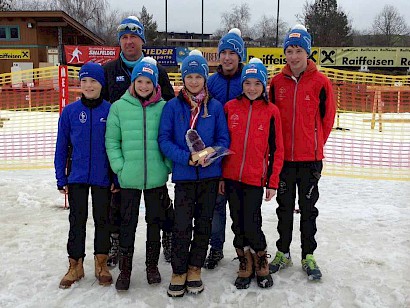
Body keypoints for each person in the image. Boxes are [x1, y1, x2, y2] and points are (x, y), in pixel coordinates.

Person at [102, 15, 175, 267]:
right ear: (119, 41)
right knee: (119, 205)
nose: (129, 41)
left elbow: (169, 111)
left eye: (134, 36)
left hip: (154, 155)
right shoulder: (108, 71)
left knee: (161, 206)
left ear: (142, 40)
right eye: (124, 37)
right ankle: (115, 244)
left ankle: (167, 239)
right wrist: (117, 164)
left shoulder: (160, 73)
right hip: (123, 152)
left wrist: (166, 162)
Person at [158, 50, 230, 297]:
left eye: (199, 76)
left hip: (209, 177)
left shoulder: (216, 108)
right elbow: (164, 140)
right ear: (183, 78)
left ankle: (194, 268)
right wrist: (186, 158)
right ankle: (178, 270)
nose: (194, 81)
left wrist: (210, 152)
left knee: (204, 224)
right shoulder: (172, 107)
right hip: (185, 177)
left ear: (205, 78)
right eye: (189, 76)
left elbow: (224, 140)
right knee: (181, 225)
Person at [268, 25, 336, 280]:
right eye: (289, 50)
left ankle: (308, 254)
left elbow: (327, 119)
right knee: (283, 209)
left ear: (307, 53)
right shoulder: (276, 83)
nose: (294, 56)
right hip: (284, 161)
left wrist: (315, 145)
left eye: (298, 51)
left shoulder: (321, 82)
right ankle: (283, 252)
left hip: (310, 161)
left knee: (308, 209)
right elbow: (271, 121)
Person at [221, 58, 284, 289]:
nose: (252, 88)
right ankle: (244, 261)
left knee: (252, 222)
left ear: (264, 85)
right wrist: (220, 176)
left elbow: (278, 150)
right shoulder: (230, 108)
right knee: (237, 223)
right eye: (248, 82)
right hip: (230, 177)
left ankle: (260, 258)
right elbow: (221, 144)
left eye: (257, 83)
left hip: (255, 178)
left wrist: (272, 181)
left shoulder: (271, 112)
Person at [55, 62, 116, 289]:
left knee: (103, 220)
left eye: (93, 81)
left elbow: (115, 146)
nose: (88, 86)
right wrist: (61, 176)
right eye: (84, 81)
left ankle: (101, 263)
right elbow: (61, 147)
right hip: (77, 176)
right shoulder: (70, 112)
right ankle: (75, 265)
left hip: (103, 177)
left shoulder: (111, 111)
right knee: (76, 220)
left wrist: (116, 177)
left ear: (101, 84)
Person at [204, 28, 245, 270]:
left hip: (241, 156)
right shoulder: (211, 82)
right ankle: (216, 247)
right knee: (217, 207)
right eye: (224, 52)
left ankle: (244, 249)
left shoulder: (248, 80)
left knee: (242, 209)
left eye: (232, 52)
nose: (227, 57)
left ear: (240, 55)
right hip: (218, 156)